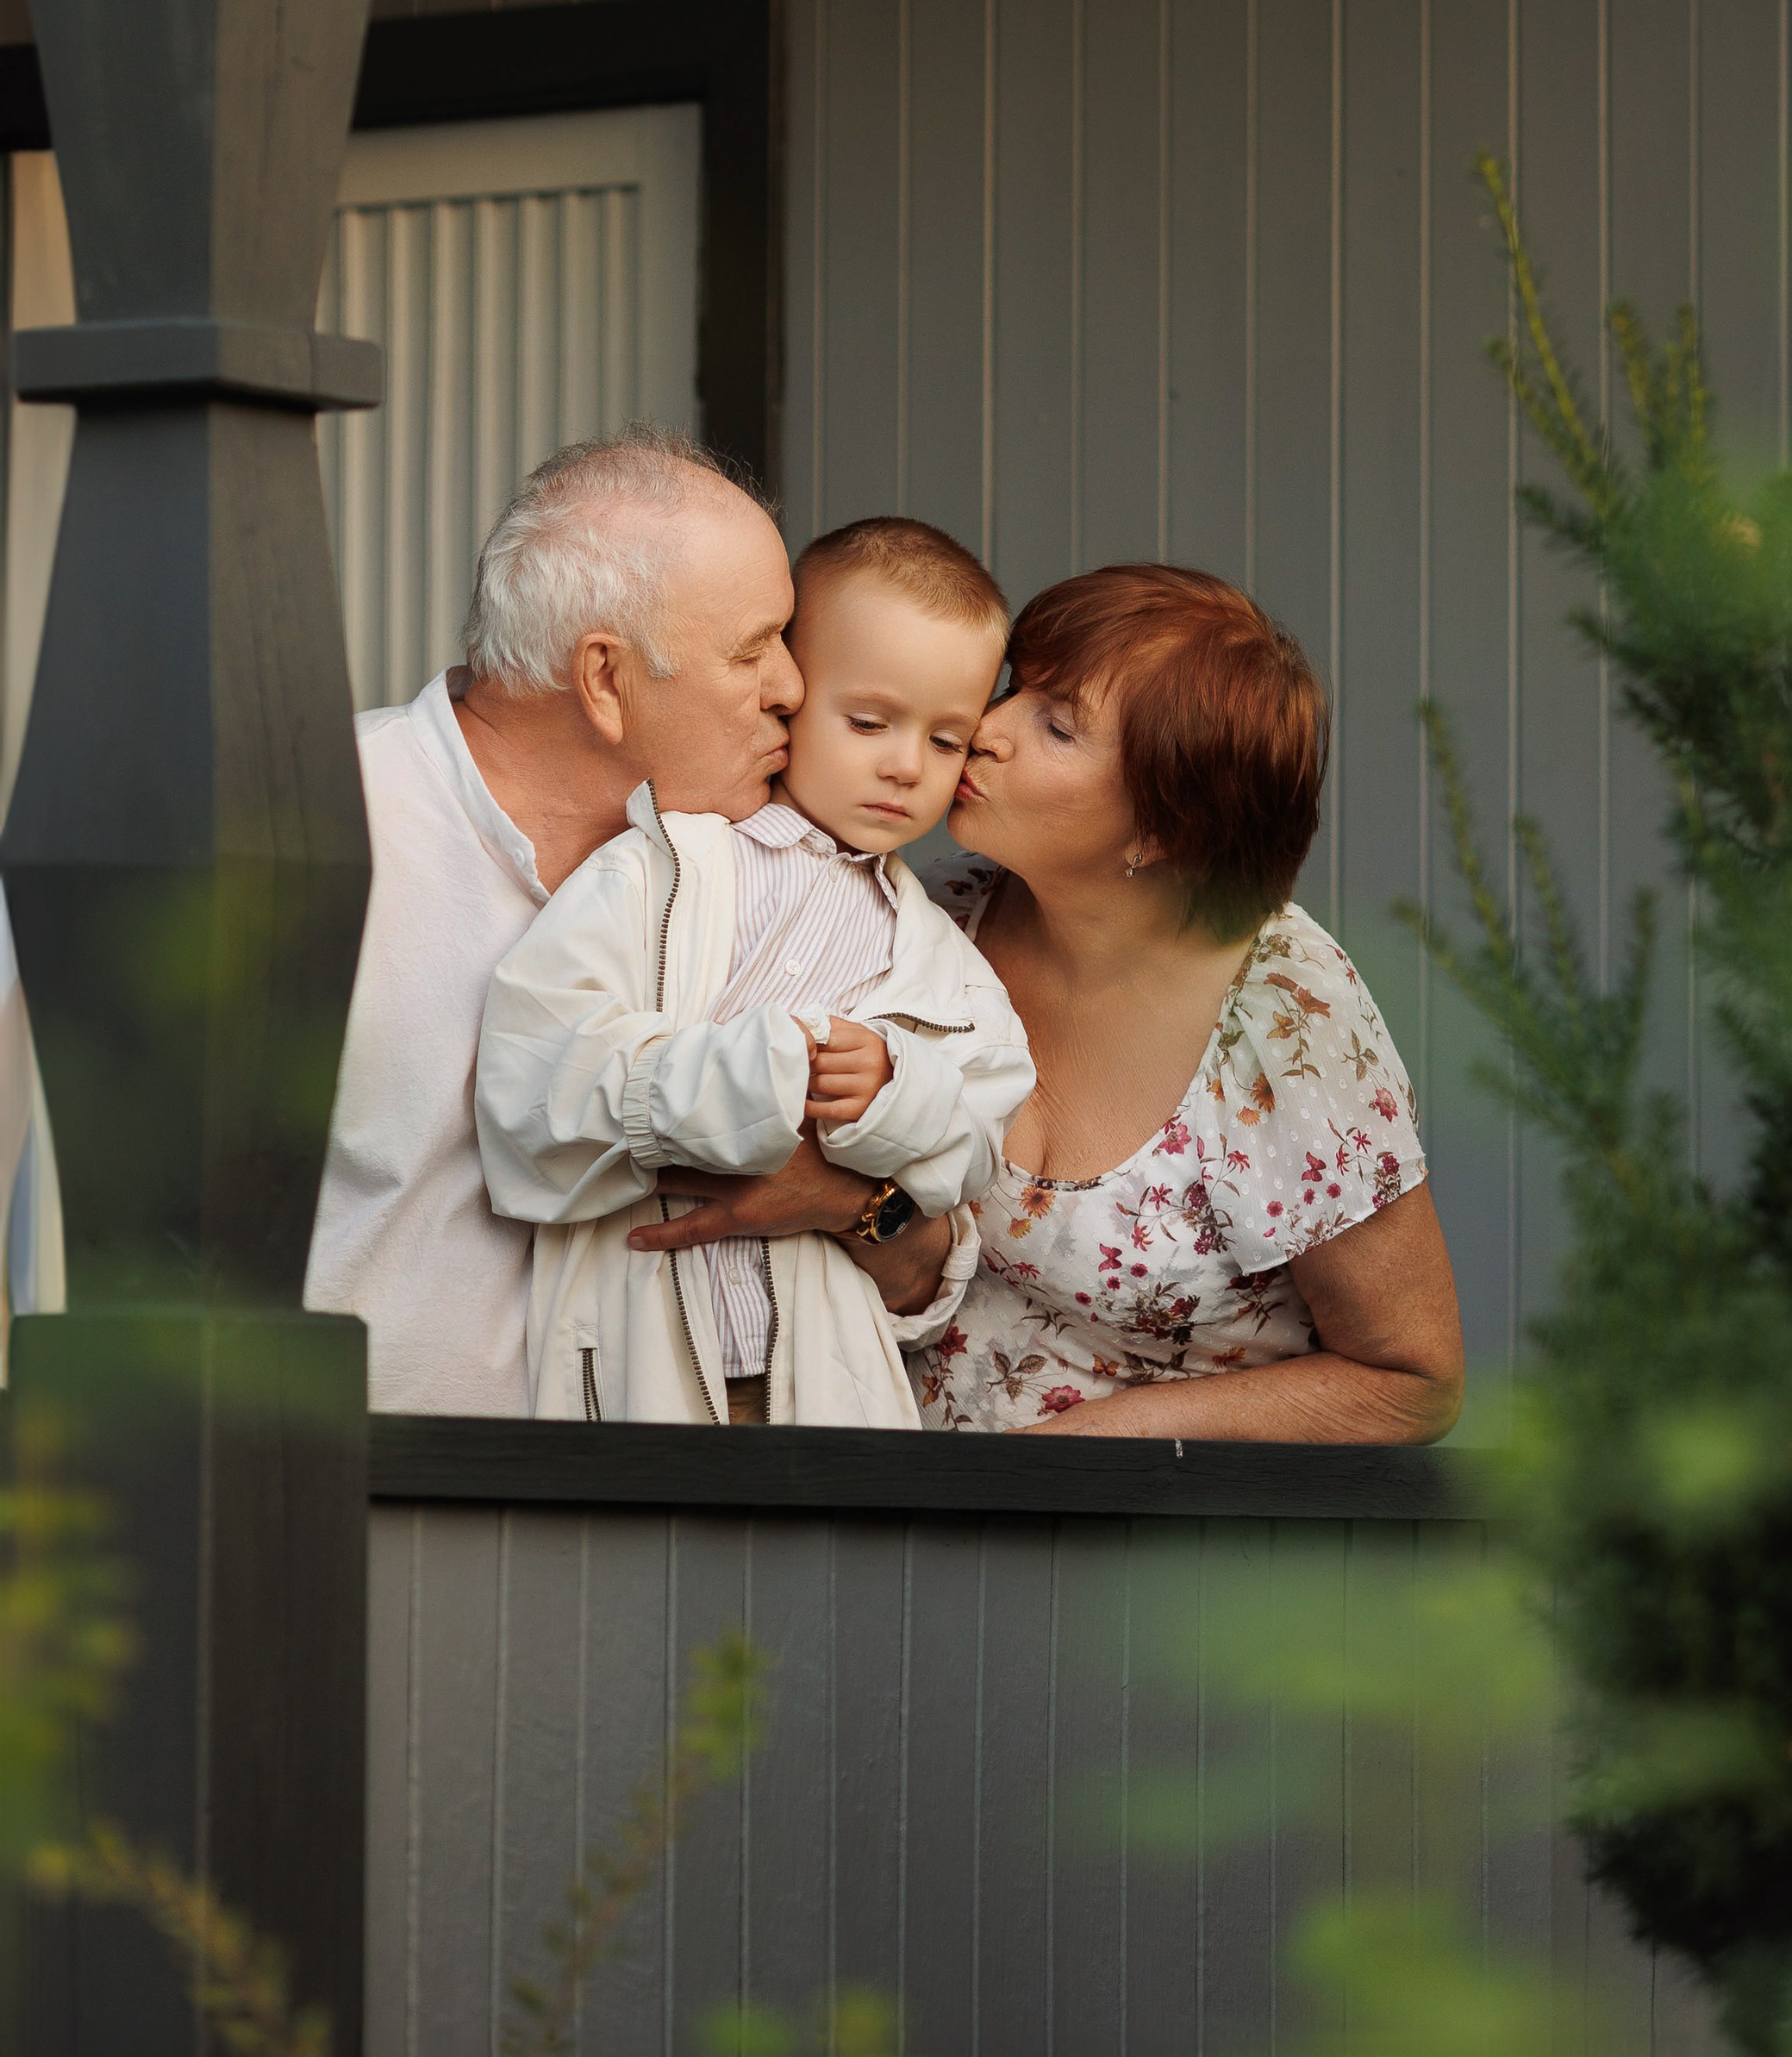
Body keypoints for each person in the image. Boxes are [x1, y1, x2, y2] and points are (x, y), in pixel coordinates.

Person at [303, 433, 956, 1413]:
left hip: (681, 1540)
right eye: (754, 648)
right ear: (604, 678)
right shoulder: (307, 831)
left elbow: (925, 1278)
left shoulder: (812, 871)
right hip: (338, 1521)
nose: (792, 686)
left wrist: (855, 1204)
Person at [475, 517, 1033, 1426]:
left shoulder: (944, 962)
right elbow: (532, 1078)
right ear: (789, 696)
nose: (904, 765)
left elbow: (977, 1145)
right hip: (635, 1370)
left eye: (946, 739)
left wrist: (895, 1092)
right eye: (869, 721)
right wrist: (749, 1081)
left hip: (824, 1390)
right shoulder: (655, 868)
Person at [915, 563, 1464, 1440]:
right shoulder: (938, 917)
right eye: (1017, 689)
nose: (986, 728)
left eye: (1055, 725)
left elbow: (1409, 1378)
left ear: (1162, 827)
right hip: (895, 1520)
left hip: (1152, 1552)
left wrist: (1097, 1447)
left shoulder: (1286, 1015)